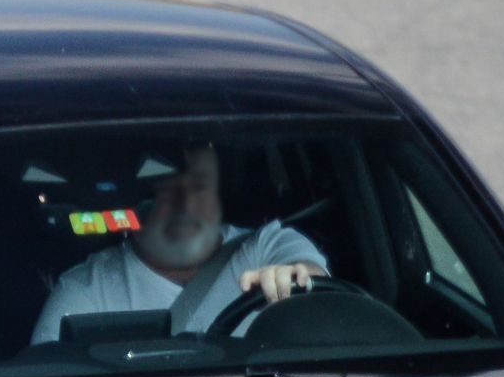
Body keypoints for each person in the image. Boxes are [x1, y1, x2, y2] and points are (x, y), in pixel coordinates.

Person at [30, 143, 325, 345]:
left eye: (195, 188)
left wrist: (293, 280)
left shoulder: (265, 245)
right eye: (161, 195)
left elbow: (310, 275)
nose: (182, 206)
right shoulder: (86, 291)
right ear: (131, 207)